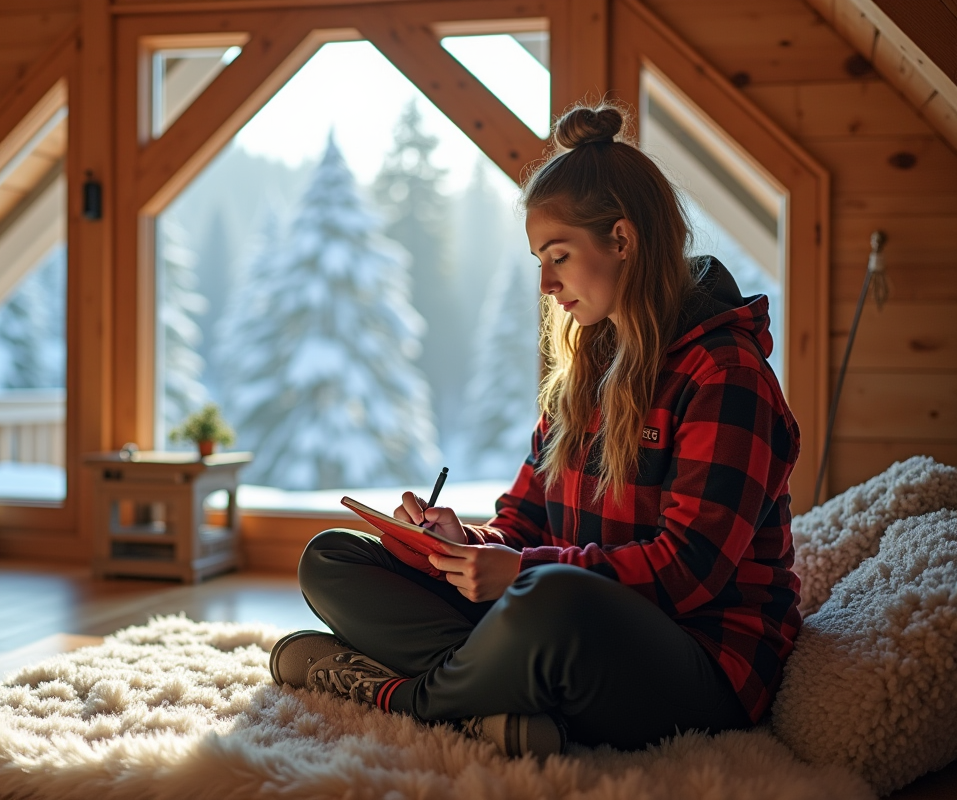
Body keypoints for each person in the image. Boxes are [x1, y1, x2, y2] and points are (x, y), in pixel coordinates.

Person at [268, 101, 803, 760]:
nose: (546, 284)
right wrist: (463, 543)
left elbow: (687, 572)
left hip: (701, 660)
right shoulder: (585, 373)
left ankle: (407, 698)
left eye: (559, 256)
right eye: (538, 261)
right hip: (555, 621)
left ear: (622, 240)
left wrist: (520, 572)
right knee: (331, 558)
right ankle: (490, 699)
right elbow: (522, 524)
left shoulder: (726, 374)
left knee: (551, 602)